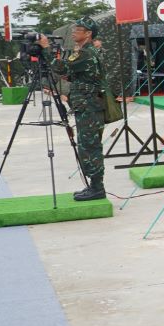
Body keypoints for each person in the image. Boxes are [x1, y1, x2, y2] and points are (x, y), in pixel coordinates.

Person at [37, 17, 107, 201]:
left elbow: (61, 68)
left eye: (78, 29)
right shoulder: (84, 52)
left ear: (88, 33)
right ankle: (94, 186)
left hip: (89, 107)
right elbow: (69, 73)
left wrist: (46, 48)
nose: (74, 31)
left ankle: (98, 189)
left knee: (90, 147)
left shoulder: (87, 53)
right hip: (86, 106)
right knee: (87, 146)